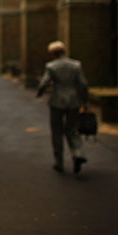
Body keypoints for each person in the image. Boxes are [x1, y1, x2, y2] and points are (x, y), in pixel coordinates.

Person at [35, 41, 89, 174]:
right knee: (72, 129)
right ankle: (78, 154)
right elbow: (83, 84)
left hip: (57, 101)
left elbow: (44, 82)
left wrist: (39, 93)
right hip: (74, 101)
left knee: (56, 131)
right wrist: (84, 100)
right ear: (64, 50)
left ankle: (59, 162)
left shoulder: (51, 66)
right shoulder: (76, 65)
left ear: (52, 53)